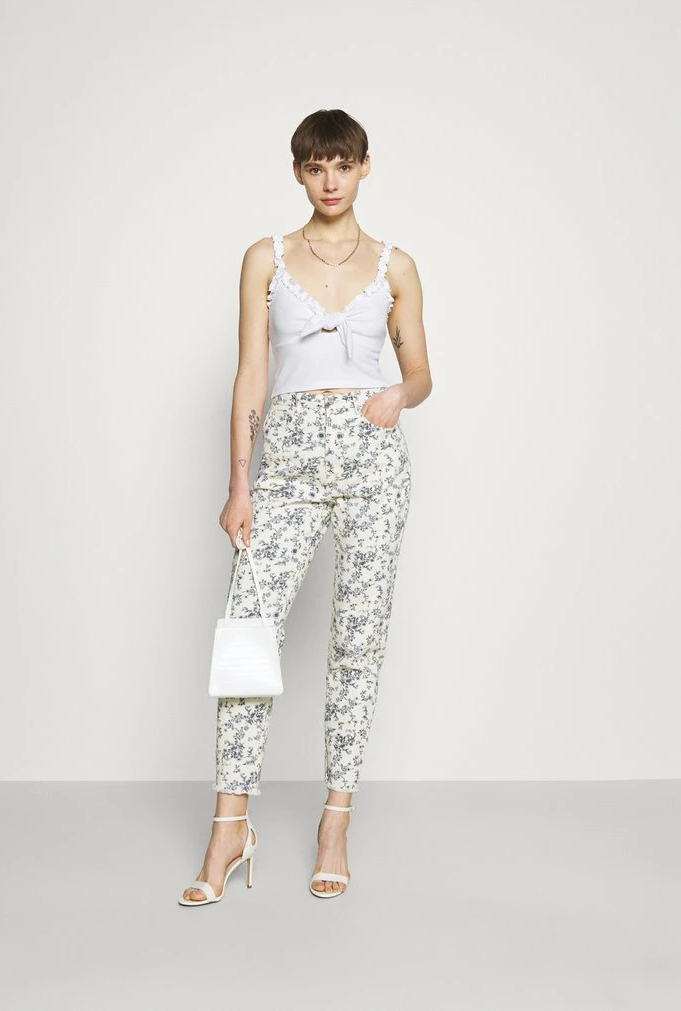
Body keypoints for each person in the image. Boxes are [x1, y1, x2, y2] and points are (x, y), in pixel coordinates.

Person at [179, 108, 432, 905]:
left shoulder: (396, 265)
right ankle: (230, 827)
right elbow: (251, 373)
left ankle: (335, 821)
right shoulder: (266, 257)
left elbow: (422, 372)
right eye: (316, 167)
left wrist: (398, 394)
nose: (330, 181)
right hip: (285, 460)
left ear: (364, 168)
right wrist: (239, 483)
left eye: (343, 166)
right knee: (249, 633)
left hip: (372, 460)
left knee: (358, 640)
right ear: (298, 172)